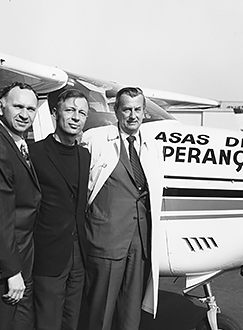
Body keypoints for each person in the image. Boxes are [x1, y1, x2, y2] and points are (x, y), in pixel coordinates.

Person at [81, 87, 163, 330]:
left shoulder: (151, 146)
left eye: (137, 109)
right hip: (106, 241)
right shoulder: (94, 140)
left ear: (144, 112)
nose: (132, 115)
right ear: (116, 111)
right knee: (100, 313)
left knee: (130, 315)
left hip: (139, 244)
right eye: (126, 109)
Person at [0, 82, 41, 330]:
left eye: (31, 109)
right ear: (0, 106)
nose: (25, 114)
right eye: (18, 106)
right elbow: (0, 213)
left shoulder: (15, 142)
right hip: (9, 264)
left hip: (23, 254)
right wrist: (12, 271)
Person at [29, 89, 91, 330]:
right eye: (70, 110)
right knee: (47, 322)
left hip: (78, 256)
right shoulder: (35, 153)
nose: (76, 117)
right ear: (56, 113)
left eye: (82, 113)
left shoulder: (85, 156)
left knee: (72, 321)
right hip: (49, 255)